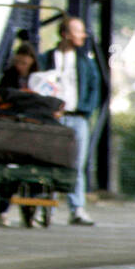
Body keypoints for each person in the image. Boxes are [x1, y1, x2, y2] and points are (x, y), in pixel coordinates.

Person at [39, 16, 102, 225]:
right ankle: (46, 206)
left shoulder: (86, 63)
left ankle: (77, 208)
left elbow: (95, 88)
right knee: (48, 162)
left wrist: (86, 109)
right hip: (53, 119)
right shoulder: (46, 59)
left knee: (76, 164)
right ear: (66, 34)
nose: (83, 36)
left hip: (77, 118)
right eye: (79, 31)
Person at [0, 41, 42, 226]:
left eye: (24, 63)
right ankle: (4, 210)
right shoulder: (8, 77)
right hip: (12, 125)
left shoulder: (39, 78)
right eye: (18, 62)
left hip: (32, 127)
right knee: (10, 171)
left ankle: (30, 212)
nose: (20, 67)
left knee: (33, 172)